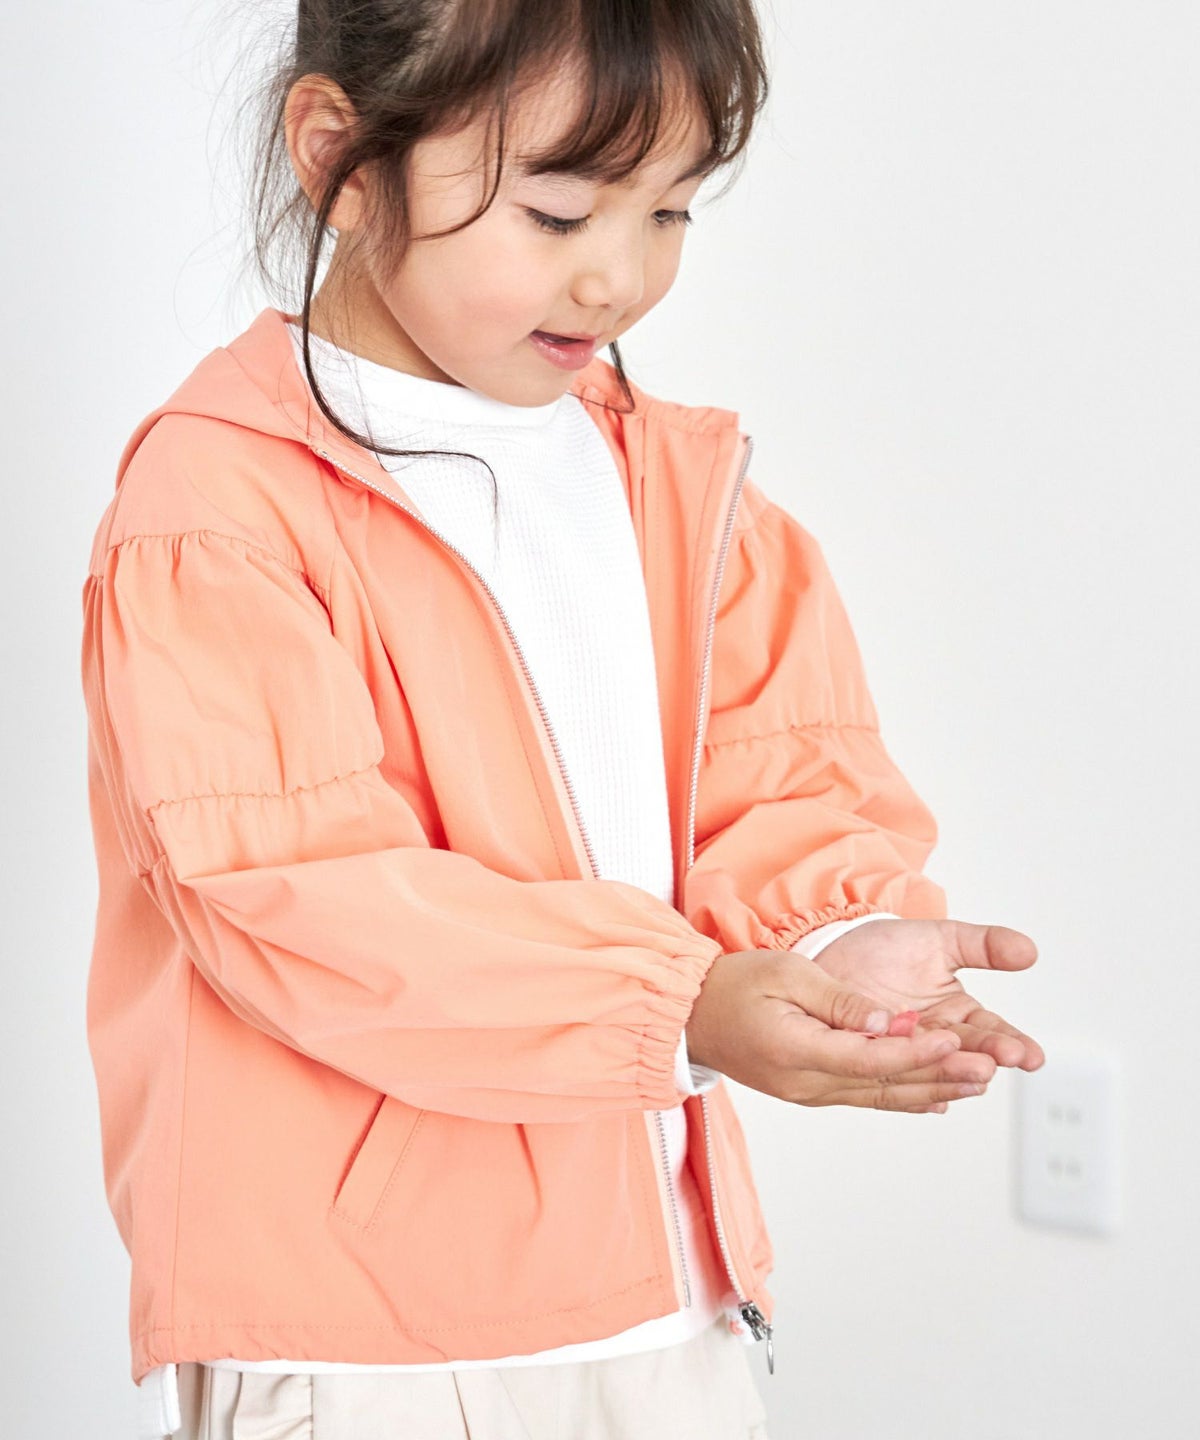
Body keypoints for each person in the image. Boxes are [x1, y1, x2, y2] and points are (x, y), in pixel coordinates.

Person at [79, 2, 1044, 1437]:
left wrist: (832, 945)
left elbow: (778, 785)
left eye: (669, 211)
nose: (618, 277)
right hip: (367, 1339)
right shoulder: (219, 513)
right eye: (556, 210)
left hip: (667, 1298)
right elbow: (302, 899)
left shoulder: (687, 495)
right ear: (339, 154)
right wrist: (682, 1006)